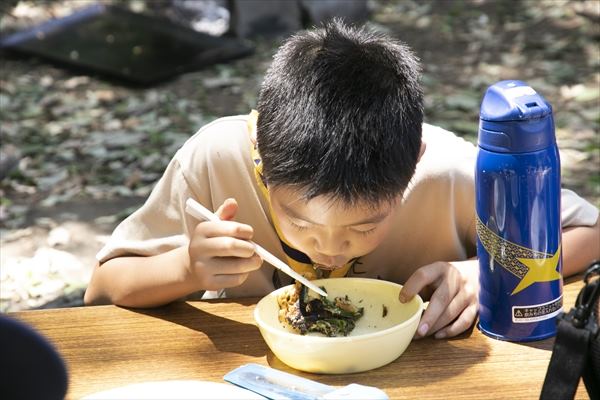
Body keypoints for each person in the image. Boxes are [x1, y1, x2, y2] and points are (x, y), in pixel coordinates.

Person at [84, 20, 600, 339]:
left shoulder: (449, 172)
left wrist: (480, 271)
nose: (330, 251)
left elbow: (589, 232)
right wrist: (188, 266)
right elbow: (102, 293)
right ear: (262, 155)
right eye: (300, 224)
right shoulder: (218, 159)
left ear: (413, 163)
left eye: (363, 228)